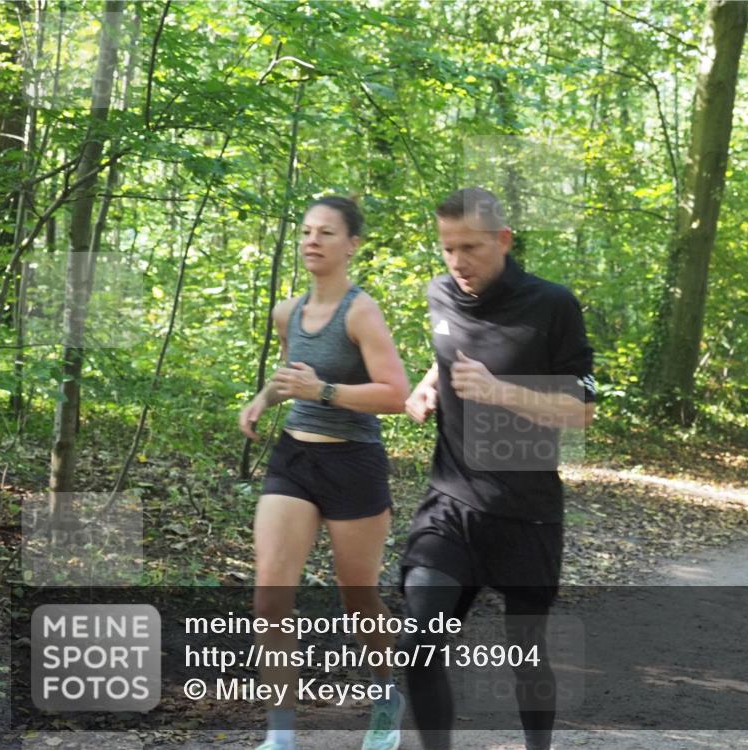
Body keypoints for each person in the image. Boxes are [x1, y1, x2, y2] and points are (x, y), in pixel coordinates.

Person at [400, 187, 595, 750]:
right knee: (418, 643)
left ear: (503, 240)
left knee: (526, 655)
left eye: (471, 248)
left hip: (526, 512)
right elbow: (449, 353)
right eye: (447, 248)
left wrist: (498, 391)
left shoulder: (552, 306)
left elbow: (582, 410)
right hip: (451, 503)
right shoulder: (439, 294)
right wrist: (427, 385)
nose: (457, 262)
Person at [238, 196, 410, 750]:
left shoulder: (361, 313)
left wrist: (325, 391)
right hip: (295, 459)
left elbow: (396, 395)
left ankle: (387, 699)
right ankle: (281, 736)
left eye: (326, 233)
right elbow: (293, 373)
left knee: (357, 597)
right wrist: (264, 398)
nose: (312, 240)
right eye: (307, 231)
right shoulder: (286, 312)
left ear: (352, 245)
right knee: (270, 596)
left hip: (353, 463)